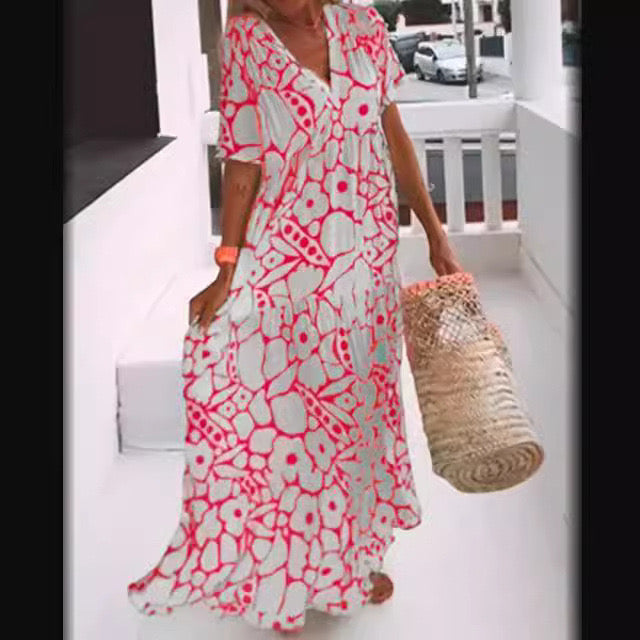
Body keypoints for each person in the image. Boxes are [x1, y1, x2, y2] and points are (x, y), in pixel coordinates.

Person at [127, 0, 462, 634]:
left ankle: (353, 557)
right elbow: (243, 161)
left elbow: (393, 138)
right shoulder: (248, 41)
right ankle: (288, 576)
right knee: (297, 421)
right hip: (291, 263)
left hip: (365, 263)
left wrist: (435, 232)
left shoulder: (363, 29)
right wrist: (227, 266)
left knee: (361, 413)